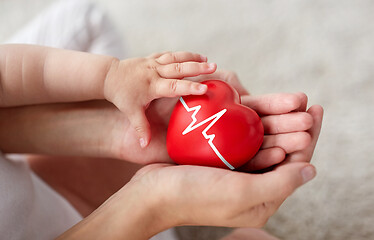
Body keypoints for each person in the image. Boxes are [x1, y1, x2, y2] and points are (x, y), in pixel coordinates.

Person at [0, 1, 323, 239]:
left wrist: (108, 77)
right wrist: (155, 204)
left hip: (36, 171)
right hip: (120, 227)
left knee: (82, 19)